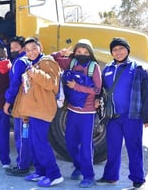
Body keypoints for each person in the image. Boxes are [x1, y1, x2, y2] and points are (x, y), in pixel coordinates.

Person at [96, 37, 148, 189]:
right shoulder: (107, 69)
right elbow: (102, 91)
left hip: (132, 117)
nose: (118, 52)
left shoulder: (137, 68)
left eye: (121, 49)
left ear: (128, 50)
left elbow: (147, 93)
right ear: (111, 53)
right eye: (115, 50)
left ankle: (137, 178)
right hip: (113, 117)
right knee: (113, 148)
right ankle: (110, 176)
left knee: (133, 147)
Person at [11, 37, 64, 187]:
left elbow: (52, 84)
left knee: (40, 142)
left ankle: (55, 174)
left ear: (40, 48)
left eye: (34, 49)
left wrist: (36, 74)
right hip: (32, 110)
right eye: (27, 50)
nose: (31, 52)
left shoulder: (48, 62)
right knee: (33, 142)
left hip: (43, 110)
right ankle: (40, 171)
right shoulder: (32, 64)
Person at [51, 39, 102, 188]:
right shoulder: (72, 63)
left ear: (90, 53)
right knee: (70, 142)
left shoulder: (94, 67)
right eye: (79, 51)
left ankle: (89, 176)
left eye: (86, 52)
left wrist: (77, 86)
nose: (82, 54)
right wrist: (62, 53)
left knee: (86, 145)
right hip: (72, 110)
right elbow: (52, 58)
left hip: (87, 113)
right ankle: (78, 166)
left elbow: (97, 90)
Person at [3, 36, 33, 177]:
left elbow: (15, 84)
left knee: (21, 135)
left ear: (22, 48)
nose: (12, 50)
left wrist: (8, 101)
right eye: (11, 48)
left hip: (21, 105)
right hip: (32, 104)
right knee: (28, 134)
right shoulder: (31, 60)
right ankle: (30, 161)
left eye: (15, 47)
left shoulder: (19, 62)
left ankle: (22, 165)